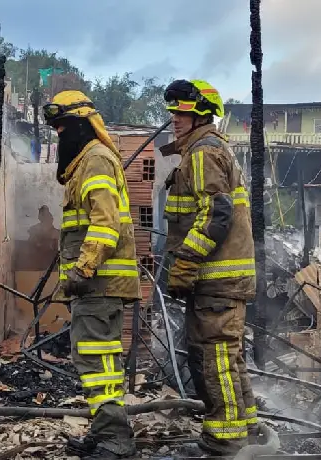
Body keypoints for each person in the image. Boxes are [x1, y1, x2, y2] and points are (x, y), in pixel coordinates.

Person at [158, 79, 259, 456]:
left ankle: (225, 443)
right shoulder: (209, 150)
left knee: (214, 358)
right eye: (173, 113)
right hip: (222, 280)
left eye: (182, 113)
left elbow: (216, 212)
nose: (174, 120)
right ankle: (248, 435)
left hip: (216, 278)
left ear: (200, 113)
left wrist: (185, 262)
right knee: (226, 356)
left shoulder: (203, 153)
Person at [44, 90, 139, 459]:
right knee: (102, 362)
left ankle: (115, 441)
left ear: (83, 124)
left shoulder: (96, 161)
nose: (59, 135)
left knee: (96, 363)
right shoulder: (86, 163)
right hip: (97, 286)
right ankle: (105, 434)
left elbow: (105, 223)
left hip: (99, 283)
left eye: (64, 126)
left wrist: (83, 268)